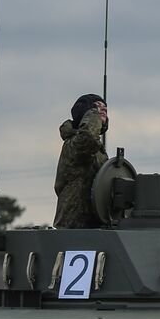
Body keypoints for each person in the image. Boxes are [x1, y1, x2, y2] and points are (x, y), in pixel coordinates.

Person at [53, 94, 109, 228]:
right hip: (74, 225)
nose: (102, 110)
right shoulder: (74, 144)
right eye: (95, 106)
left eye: (105, 108)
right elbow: (88, 137)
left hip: (94, 223)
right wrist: (94, 116)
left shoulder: (98, 149)